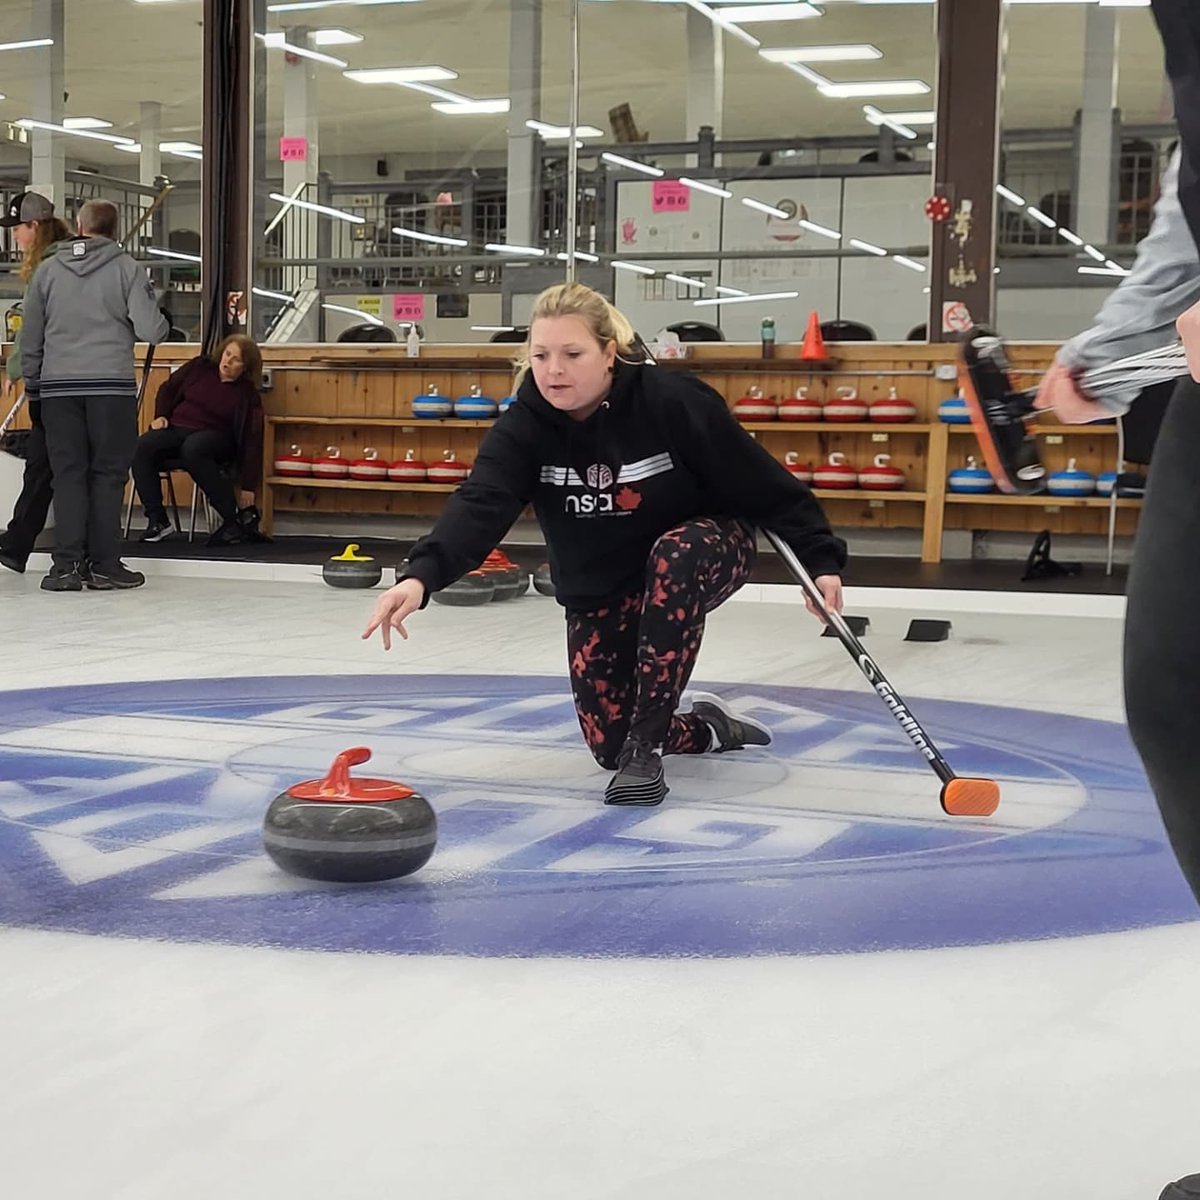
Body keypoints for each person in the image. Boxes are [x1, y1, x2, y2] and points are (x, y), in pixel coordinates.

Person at [363, 281, 846, 807]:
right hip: (605, 580)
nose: (554, 370)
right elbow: (483, 500)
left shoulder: (672, 401)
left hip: (704, 550)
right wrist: (420, 575)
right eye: (541, 355)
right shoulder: (526, 425)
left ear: (608, 354)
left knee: (674, 556)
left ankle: (646, 753)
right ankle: (703, 730)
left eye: (572, 354)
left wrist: (819, 561)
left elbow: (763, 485)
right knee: (606, 745)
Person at [20, 199, 170, 592]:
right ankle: (105, 564)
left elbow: (30, 334)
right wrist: (160, 316)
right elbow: (151, 330)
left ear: (79, 226)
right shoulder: (127, 269)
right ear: (115, 229)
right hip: (110, 389)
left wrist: (33, 384)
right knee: (107, 476)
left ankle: (66, 567)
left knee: (67, 475)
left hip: (57, 390)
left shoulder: (47, 271)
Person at [132, 334, 264, 546]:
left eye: (236, 359)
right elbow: (168, 389)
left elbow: (252, 438)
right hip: (177, 428)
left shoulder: (247, 394)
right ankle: (157, 520)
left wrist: (249, 484)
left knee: (194, 448)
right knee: (142, 446)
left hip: (218, 437)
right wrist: (161, 415)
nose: (227, 361)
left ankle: (232, 519)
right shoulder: (200, 367)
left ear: (245, 367)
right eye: (227, 354)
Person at [0, 192, 72, 574]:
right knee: (44, 464)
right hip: (69, 378)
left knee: (51, 465)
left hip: (56, 381)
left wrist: (17, 369)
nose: (14, 238)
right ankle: (16, 542)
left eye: (17, 229)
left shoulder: (47, 268)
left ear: (35, 227)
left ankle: (21, 543)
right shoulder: (67, 259)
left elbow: (32, 326)